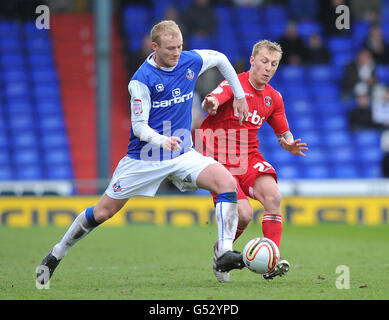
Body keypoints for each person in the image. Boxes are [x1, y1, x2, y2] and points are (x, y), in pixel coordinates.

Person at [36, 20, 250, 285]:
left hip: (182, 154)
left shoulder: (190, 60)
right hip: (143, 159)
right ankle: (58, 252)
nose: (176, 53)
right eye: (170, 48)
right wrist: (162, 141)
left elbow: (220, 59)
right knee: (103, 212)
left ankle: (224, 252)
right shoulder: (141, 80)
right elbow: (138, 127)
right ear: (155, 47)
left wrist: (239, 96)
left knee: (226, 182)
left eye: (180, 46)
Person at [199, 40, 308, 280]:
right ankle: (222, 252)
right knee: (245, 214)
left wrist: (288, 143)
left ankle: (271, 260)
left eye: (274, 64)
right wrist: (211, 104)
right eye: (264, 61)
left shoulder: (274, 98)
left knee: (273, 196)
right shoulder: (234, 83)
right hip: (217, 159)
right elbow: (215, 97)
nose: (269, 68)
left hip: (248, 157)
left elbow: (283, 133)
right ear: (252, 60)